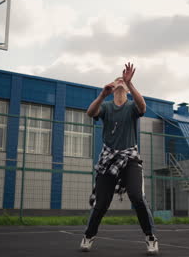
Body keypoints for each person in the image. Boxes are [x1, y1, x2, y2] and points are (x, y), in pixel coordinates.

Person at [80, 63, 159, 255]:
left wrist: (130, 83)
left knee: (137, 197)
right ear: (114, 87)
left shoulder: (131, 107)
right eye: (118, 80)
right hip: (109, 158)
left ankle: (151, 237)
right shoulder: (106, 107)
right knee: (101, 203)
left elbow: (143, 106)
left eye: (123, 80)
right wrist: (102, 95)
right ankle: (88, 236)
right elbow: (90, 113)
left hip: (130, 157)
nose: (120, 81)